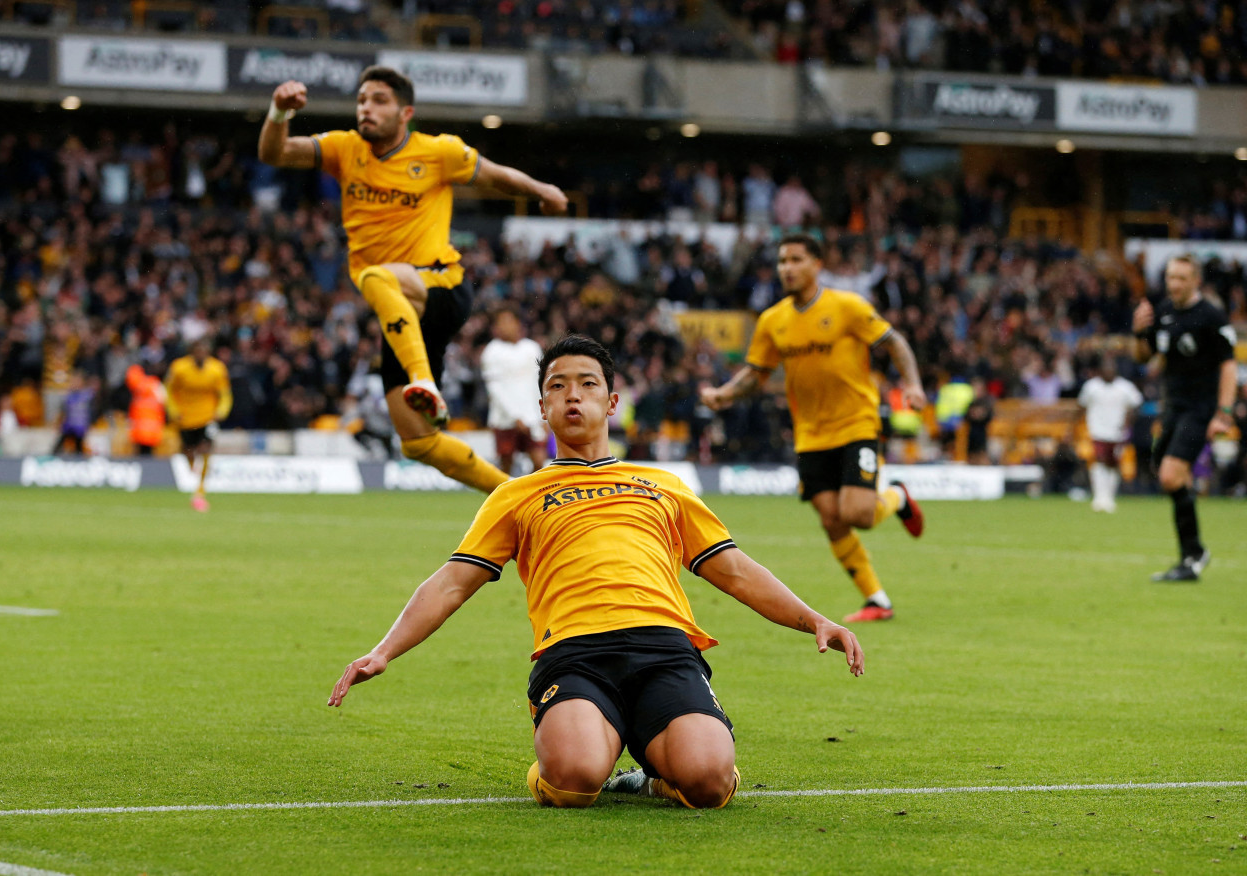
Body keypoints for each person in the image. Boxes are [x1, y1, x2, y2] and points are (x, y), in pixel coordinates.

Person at [328, 334, 864, 810]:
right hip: (575, 654)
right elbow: (451, 582)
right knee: (575, 781)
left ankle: (652, 779)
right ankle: (576, 756)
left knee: (708, 784)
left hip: (665, 650)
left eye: (586, 384)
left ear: (611, 402)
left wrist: (812, 619)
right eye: (558, 387)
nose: (572, 395)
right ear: (542, 407)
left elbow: (735, 570)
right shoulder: (515, 495)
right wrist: (384, 650)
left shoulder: (663, 484)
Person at [258, 67, 568, 494]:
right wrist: (278, 112)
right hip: (398, 310)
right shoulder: (343, 148)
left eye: (379, 100)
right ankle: (521, 498)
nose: (366, 107)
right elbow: (275, 154)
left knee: (375, 275)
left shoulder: (438, 152)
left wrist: (544, 190)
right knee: (419, 442)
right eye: (362, 99)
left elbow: (496, 176)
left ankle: (423, 380)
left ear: (406, 112)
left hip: (440, 286)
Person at [700, 233, 926, 623]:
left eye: (796, 259)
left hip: (856, 423)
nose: (786, 267)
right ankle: (878, 600)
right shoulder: (773, 320)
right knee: (830, 518)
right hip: (810, 434)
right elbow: (757, 373)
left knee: (858, 514)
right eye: (782, 260)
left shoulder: (847, 306)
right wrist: (724, 394)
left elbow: (894, 343)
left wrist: (913, 385)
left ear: (817, 264)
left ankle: (898, 497)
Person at [1133, 254, 1238, 581]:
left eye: (1181, 278)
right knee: (1166, 473)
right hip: (1173, 408)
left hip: (1201, 408)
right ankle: (1192, 555)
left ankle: (1193, 555)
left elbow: (1229, 365)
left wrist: (1223, 413)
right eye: (1170, 277)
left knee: (1169, 476)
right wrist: (1139, 333)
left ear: (1195, 281)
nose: (1174, 284)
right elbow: (1144, 355)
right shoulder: (1163, 313)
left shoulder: (1210, 316)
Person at [165, 338, 232, 512]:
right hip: (185, 418)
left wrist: (221, 411)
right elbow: (169, 391)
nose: (201, 354)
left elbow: (224, 394)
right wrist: (173, 410)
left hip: (208, 418)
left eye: (205, 351)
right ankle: (193, 469)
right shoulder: (179, 368)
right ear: (192, 351)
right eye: (198, 350)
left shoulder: (217, 369)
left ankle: (200, 491)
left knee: (206, 448)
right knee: (188, 450)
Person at [480, 308, 547, 475]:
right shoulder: (492, 351)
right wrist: (514, 416)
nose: (504, 326)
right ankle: (505, 498)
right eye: (500, 323)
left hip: (532, 416)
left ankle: (531, 497)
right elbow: (494, 390)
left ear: (518, 323)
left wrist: (544, 415)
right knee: (506, 465)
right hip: (504, 418)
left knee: (539, 461)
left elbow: (538, 384)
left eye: (508, 321)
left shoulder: (532, 348)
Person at [1076, 355, 1142, 513]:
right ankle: (1099, 497)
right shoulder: (1091, 387)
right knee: (1099, 460)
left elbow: (1135, 405)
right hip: (1097, 430)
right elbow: (1081, 406)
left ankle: (1109, 497)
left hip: (1117, 432)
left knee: (1113, 464)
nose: (1109, 371)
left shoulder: (1126, 387)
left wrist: (1127, 423)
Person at [125, 362, 167, 456]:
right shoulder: (156, 385)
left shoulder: (141, 385)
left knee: (142, 453)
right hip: (152, 427)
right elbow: (163, 401)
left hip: (142, 426)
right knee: (147, 453)